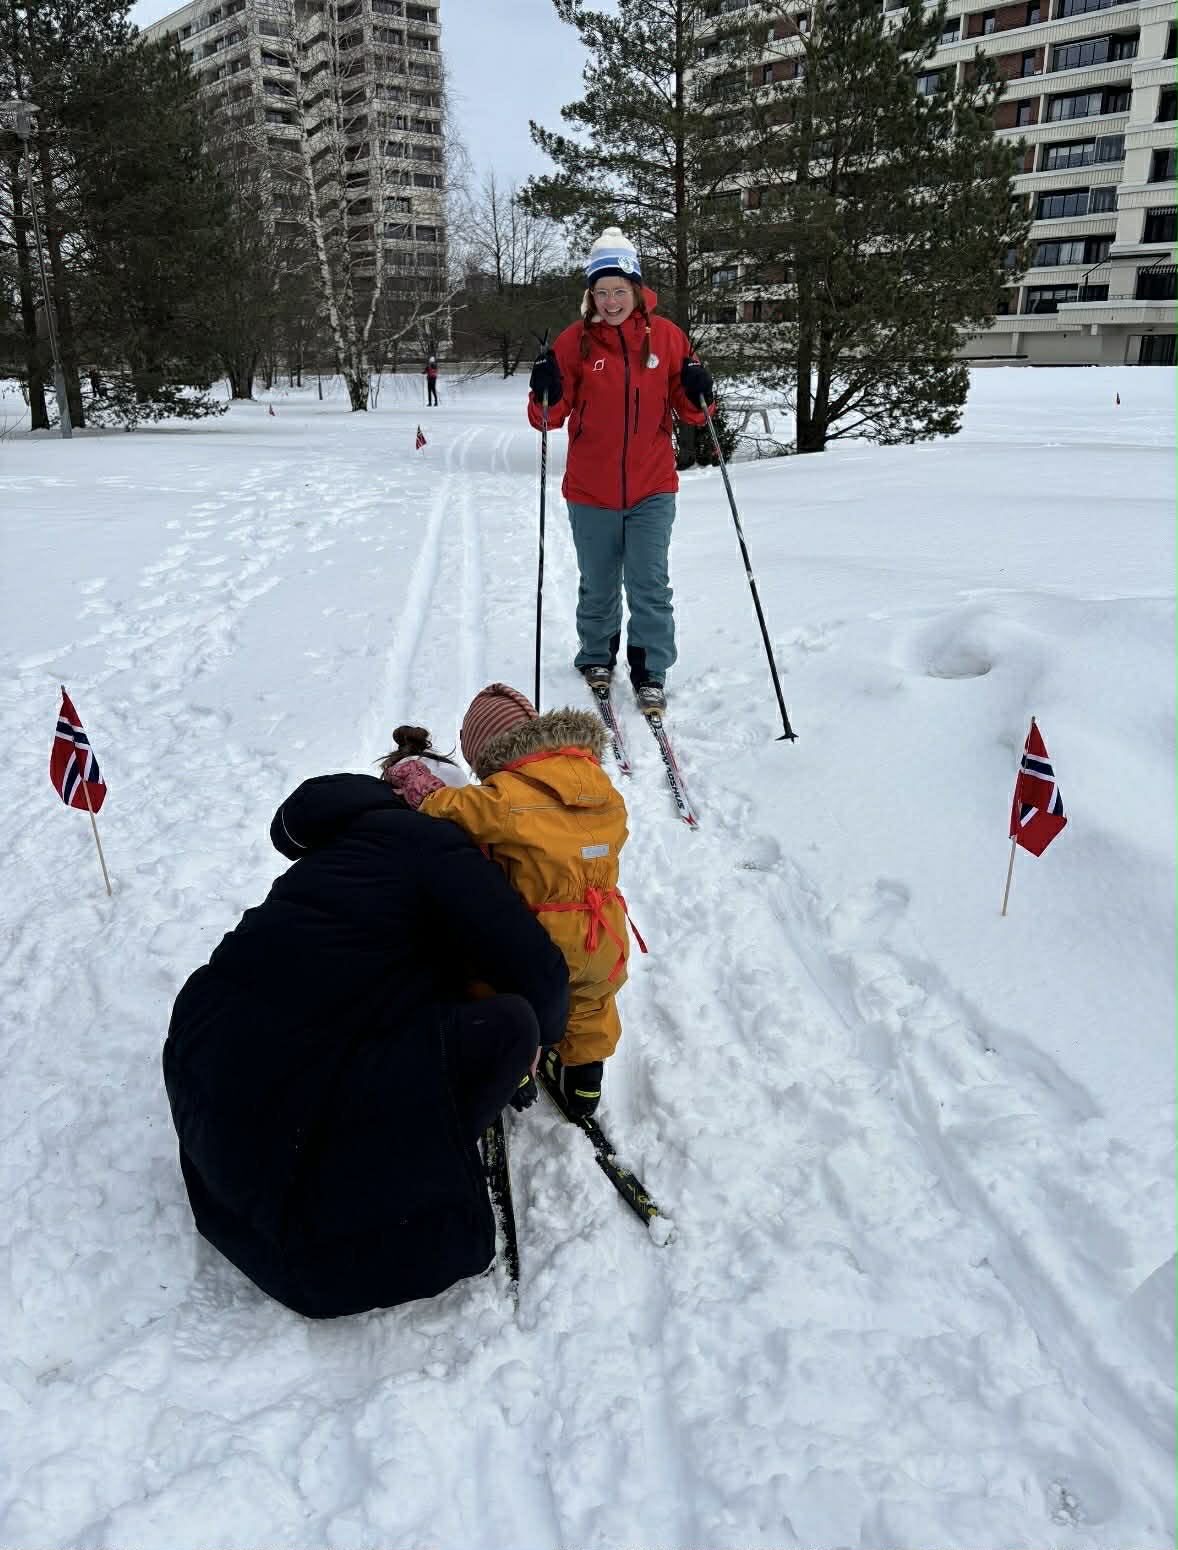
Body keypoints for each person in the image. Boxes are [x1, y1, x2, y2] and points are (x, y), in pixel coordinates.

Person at [162, 767, 569, 1320]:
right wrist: (539, 1045)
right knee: (513, 1026)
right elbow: (540, 975)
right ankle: (423, 1163)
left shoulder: (335, 850)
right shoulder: (430, 842)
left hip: (216, 1134)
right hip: (309, 1226)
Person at [383, 683, 645, 1120]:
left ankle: (512, 1065)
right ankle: (583, 1083)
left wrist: (418, 782)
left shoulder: (507, 797)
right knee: (591, 1003)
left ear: (489, 751)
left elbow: (445, 807)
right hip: (605, 930)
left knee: (491, 984)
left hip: (540, 933)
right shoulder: (600, 787)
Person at [527, 226, 715, 715]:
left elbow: (694, 413)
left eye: (620, 291)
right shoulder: (575, 341)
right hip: (591, 490)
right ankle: (596, 656)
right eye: (602, 292)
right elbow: (548, 418)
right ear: (590, 295)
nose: (611, 302)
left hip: (653, 485)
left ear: (636, 289)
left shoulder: (668, 337)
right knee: (599, 581)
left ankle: (650, 668)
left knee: (650, 581)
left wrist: (700, 389)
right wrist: (542, 387)